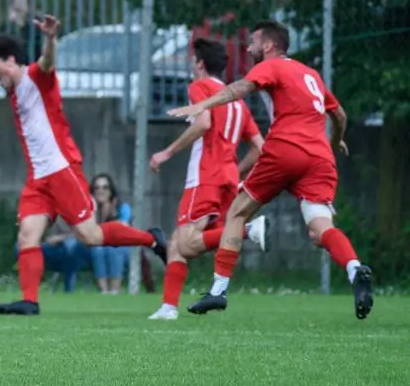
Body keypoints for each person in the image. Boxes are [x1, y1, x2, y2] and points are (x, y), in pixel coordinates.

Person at [168, 20, 373, 319]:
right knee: (321, 228)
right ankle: (355, 270)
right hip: (319, 158)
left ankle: (218, 291)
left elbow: (240, 88)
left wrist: (204, 105)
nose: (248, 47)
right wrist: (336, 140)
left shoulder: (272, 65)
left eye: (252, 41)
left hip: (285, 150)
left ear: (268, 46)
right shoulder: (310, 73)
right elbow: (339, 114)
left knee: (237, 212)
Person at [0, 19, 167, 317]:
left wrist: (51, 39)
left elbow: (47, 62)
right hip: (37, 179)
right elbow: (6, 68)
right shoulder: (15, 88)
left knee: (90, 236)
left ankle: (152, 239)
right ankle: (30, 301)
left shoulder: (34, 77)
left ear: (12, 61)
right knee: (28, 235)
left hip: (61, 171)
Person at [147, 38, 270, 320]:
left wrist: (166, 153)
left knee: (186, 242)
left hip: (203, 177)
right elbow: (260, 148)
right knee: (178, 242)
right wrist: (234, 171)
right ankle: (168, 307)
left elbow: (203, 123)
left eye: (193, 60)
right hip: (226, 179)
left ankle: (248, 230)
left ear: (200, 64)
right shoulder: (236, 102)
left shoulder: (199, 88)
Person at [89, 173, 132, 295]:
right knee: (98, 249)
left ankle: (114, 290)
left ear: (111, 190)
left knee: (114, 248)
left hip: (121, 246)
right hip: (97, 246)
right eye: (96, 188)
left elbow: (124, 226)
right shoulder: (90, 208)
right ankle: (104, 290)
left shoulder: (122, 207)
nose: (100, 191)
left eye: (105, 187)